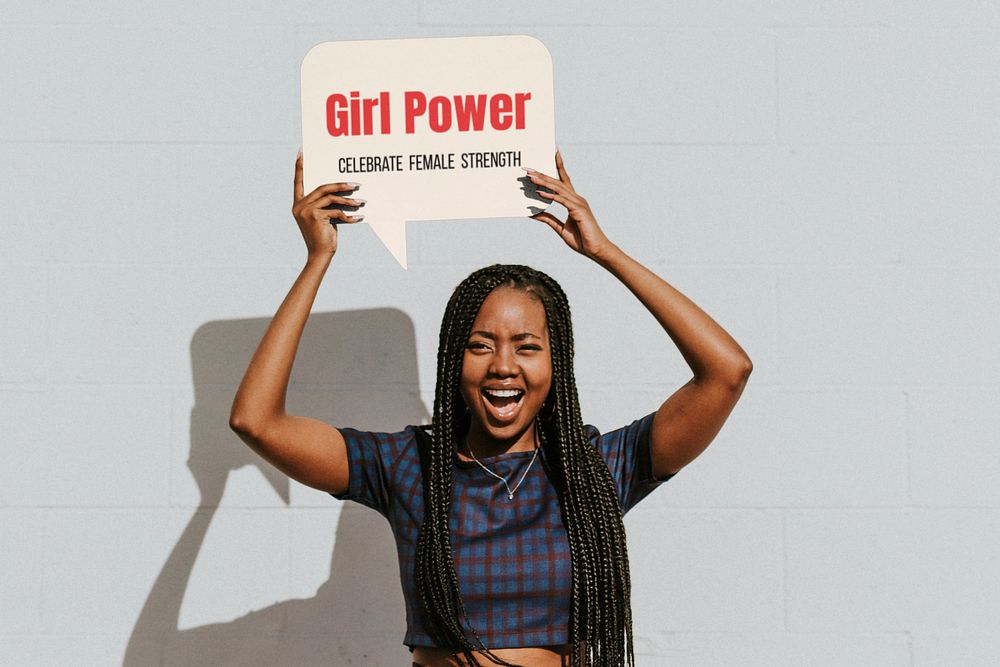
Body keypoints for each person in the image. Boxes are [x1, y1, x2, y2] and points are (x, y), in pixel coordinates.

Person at [229, 151, 752, 667]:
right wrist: (318, 258)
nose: (503, 365)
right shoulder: (409, 466)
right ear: (454, 362)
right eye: (480, 345)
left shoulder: (596, 467)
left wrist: (605, 252)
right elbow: (257, 421)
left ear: (556, 363)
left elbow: (727, 371)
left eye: (527, 346)